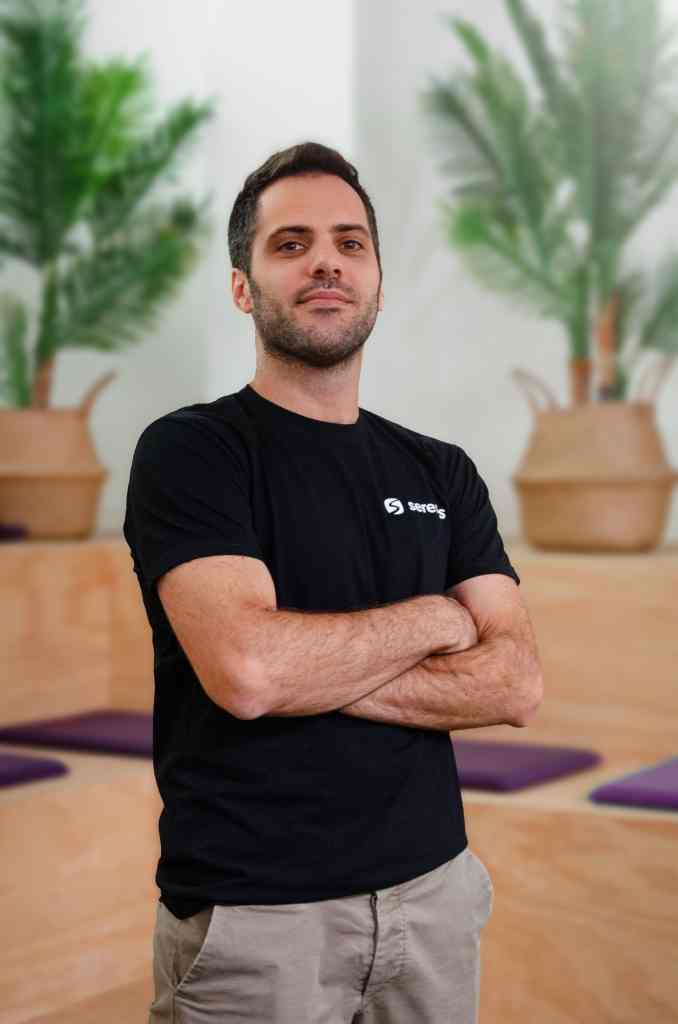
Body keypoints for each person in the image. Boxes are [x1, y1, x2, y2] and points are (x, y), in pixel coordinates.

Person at [123, 140, 543, 1023]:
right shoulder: (194, 452)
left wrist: (306, 666)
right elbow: (249, 673)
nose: (327, 262)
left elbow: (514, 683)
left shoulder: (441, 470)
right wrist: (436, 618)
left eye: (351, 243)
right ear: (243, 287)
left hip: (434, 897)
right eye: (291, 244)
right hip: (257, 921)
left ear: (377, 282)